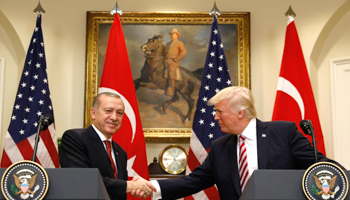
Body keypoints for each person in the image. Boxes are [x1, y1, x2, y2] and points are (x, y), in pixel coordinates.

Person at [132, 86, 345, 200]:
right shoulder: (220, 146)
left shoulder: (283, 132)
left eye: (220, 111)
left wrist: (345, 180)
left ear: (240, 113)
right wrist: (154, 187)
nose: (215, 117)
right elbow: (196, 180)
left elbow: (319, 166)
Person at [60, 92, 156, 200]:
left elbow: (118, 192)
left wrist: (135, 188)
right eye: (108, 111)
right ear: (93, 113)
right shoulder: (75, 138)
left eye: (119, 113)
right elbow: (81, 180)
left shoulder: (121, 153)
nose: (114, 117)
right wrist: (129, 186)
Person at [164, 28, 187, 96]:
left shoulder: (179, 43)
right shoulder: (168, 44)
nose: (172, 36)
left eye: (174, 34)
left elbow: (184, 52)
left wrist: (177, 59)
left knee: (171, 73)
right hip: (166, 61)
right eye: (171, 34)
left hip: (173, 62)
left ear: (177, 35)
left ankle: (171, 90)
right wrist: (165, 54)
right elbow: (165, 52)